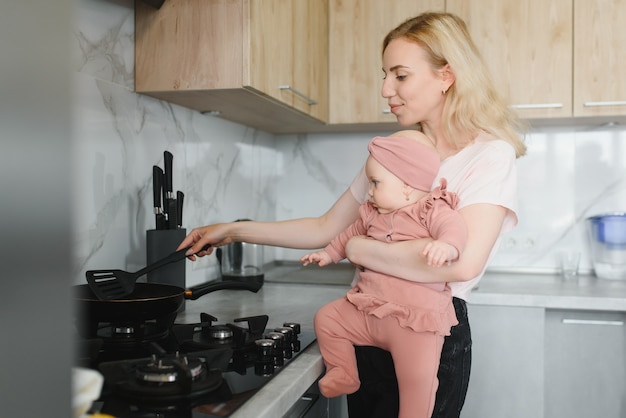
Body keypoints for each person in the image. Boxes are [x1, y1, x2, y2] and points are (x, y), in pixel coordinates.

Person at [178, 11, 526, 418]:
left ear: (445, 75)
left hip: (429, 330)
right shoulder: (393, 155)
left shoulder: (488, 154)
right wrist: (234, 230)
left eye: (400, 75)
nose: (385, 89)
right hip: (368, 316)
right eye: (385, 75)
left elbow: (461, 264)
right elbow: (326, 227)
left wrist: (358, 248)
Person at [300, 133, 466, 418]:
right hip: (368, 312)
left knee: (418, 382)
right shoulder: (370, 214)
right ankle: (344, 372)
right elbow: (348, 236)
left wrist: (447, 246)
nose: (370, 192)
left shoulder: (431, 209)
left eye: (375, 183)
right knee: (327, 319)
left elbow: (455, 228)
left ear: (406, 186)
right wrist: (328, 254)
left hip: (414, 322)